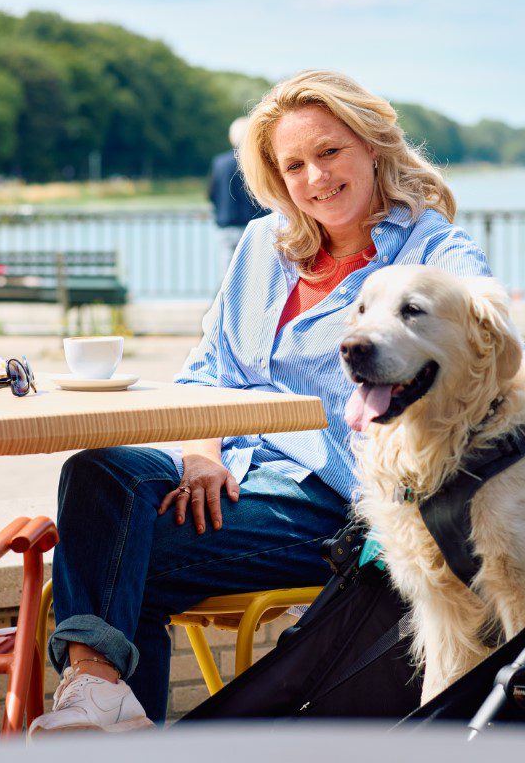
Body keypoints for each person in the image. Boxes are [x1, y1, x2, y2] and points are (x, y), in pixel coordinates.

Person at [31, 69, 492, 733]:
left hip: (337, 503)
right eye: (294, 164)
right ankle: (101, 698)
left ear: (371, 145)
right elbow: (203, 374)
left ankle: (98, 705)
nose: (314, 178)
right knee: (100, 471)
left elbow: (485, 335)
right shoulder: (260, 245)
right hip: (231, 478)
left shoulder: (429, 247)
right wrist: (198, 455)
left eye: (329, 152)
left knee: (123, 566)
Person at [208, 116, 266, 271]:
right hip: (256, 227)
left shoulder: (219, 163)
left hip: (227, 226)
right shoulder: (257, 160)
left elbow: (211, 194)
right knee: (259, 273)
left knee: (229, 275)